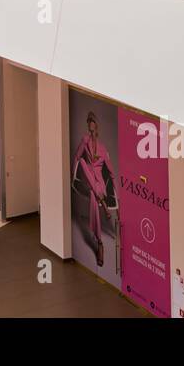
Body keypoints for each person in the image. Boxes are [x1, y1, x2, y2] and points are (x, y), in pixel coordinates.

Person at [72, 111, 117, 268]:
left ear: (97, 129)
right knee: (84, 164)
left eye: (93, 130)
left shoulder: (103, 149)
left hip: (99, 186)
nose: (90, 133)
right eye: (89, 130)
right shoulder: (84, 141)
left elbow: (111, 172)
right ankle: (104, 206)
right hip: (87, 177)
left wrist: (114, 193)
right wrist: (73, 176)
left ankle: (100, 244)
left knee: (93, 193)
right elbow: (77, 158)